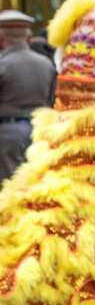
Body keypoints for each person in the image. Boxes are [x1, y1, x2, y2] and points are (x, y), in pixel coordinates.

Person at [0, 10, 56, 182]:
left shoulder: (3, 65)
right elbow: (52, 100)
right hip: (41, 133)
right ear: (29, 37)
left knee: (8, 189)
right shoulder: (46, 64)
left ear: (1, 39)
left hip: (8, 135)